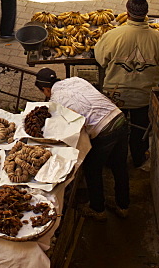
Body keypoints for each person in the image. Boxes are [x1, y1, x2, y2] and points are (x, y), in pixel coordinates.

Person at [34, 69, 130, 220]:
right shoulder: (76, 80)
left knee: (92, 169)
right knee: (120, 166)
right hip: (119, 118)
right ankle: (123, 206)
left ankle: (98, 210)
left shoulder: (55, 101)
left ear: (45, 89)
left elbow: (74, 125)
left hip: (103, 131)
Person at [94, 0, 159, 168]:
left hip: (115, 96)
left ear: (127, 13)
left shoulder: (111, 36)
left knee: (114, 130)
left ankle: (115, 163)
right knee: (139, 131)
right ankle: (138, 160)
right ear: (146, 13)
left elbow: (101, 60)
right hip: (144, 97)